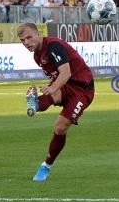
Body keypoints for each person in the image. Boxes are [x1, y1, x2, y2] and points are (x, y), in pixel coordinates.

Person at [18, 22, 95, 181]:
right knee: (49, 95)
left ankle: (46, 166)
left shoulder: (54, 45)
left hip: (82, 89)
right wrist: (52, 89)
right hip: (65, 86)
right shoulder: (37, 56)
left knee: (60, 128)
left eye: (29, 37)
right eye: (22, 40)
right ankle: (36, 104)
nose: (26, 43)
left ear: (38, 34)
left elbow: (65, 73)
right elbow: (57, 79)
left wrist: (52, 88)